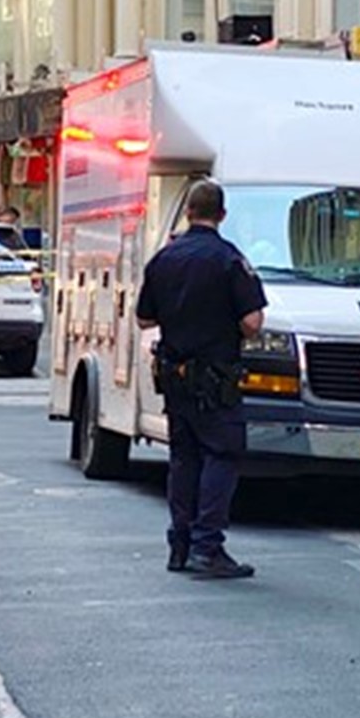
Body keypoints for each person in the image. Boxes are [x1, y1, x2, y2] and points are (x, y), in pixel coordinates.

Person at [136, 180, 268, 580]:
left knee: (183, 458)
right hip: (215, 379)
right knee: (221, 455)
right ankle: (207, 546)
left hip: (175, 377)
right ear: (222, 215)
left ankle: (179, 543)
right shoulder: (230, 260)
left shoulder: (164, 258)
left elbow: (144, 318)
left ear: (188, 212)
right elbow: (251, 323)